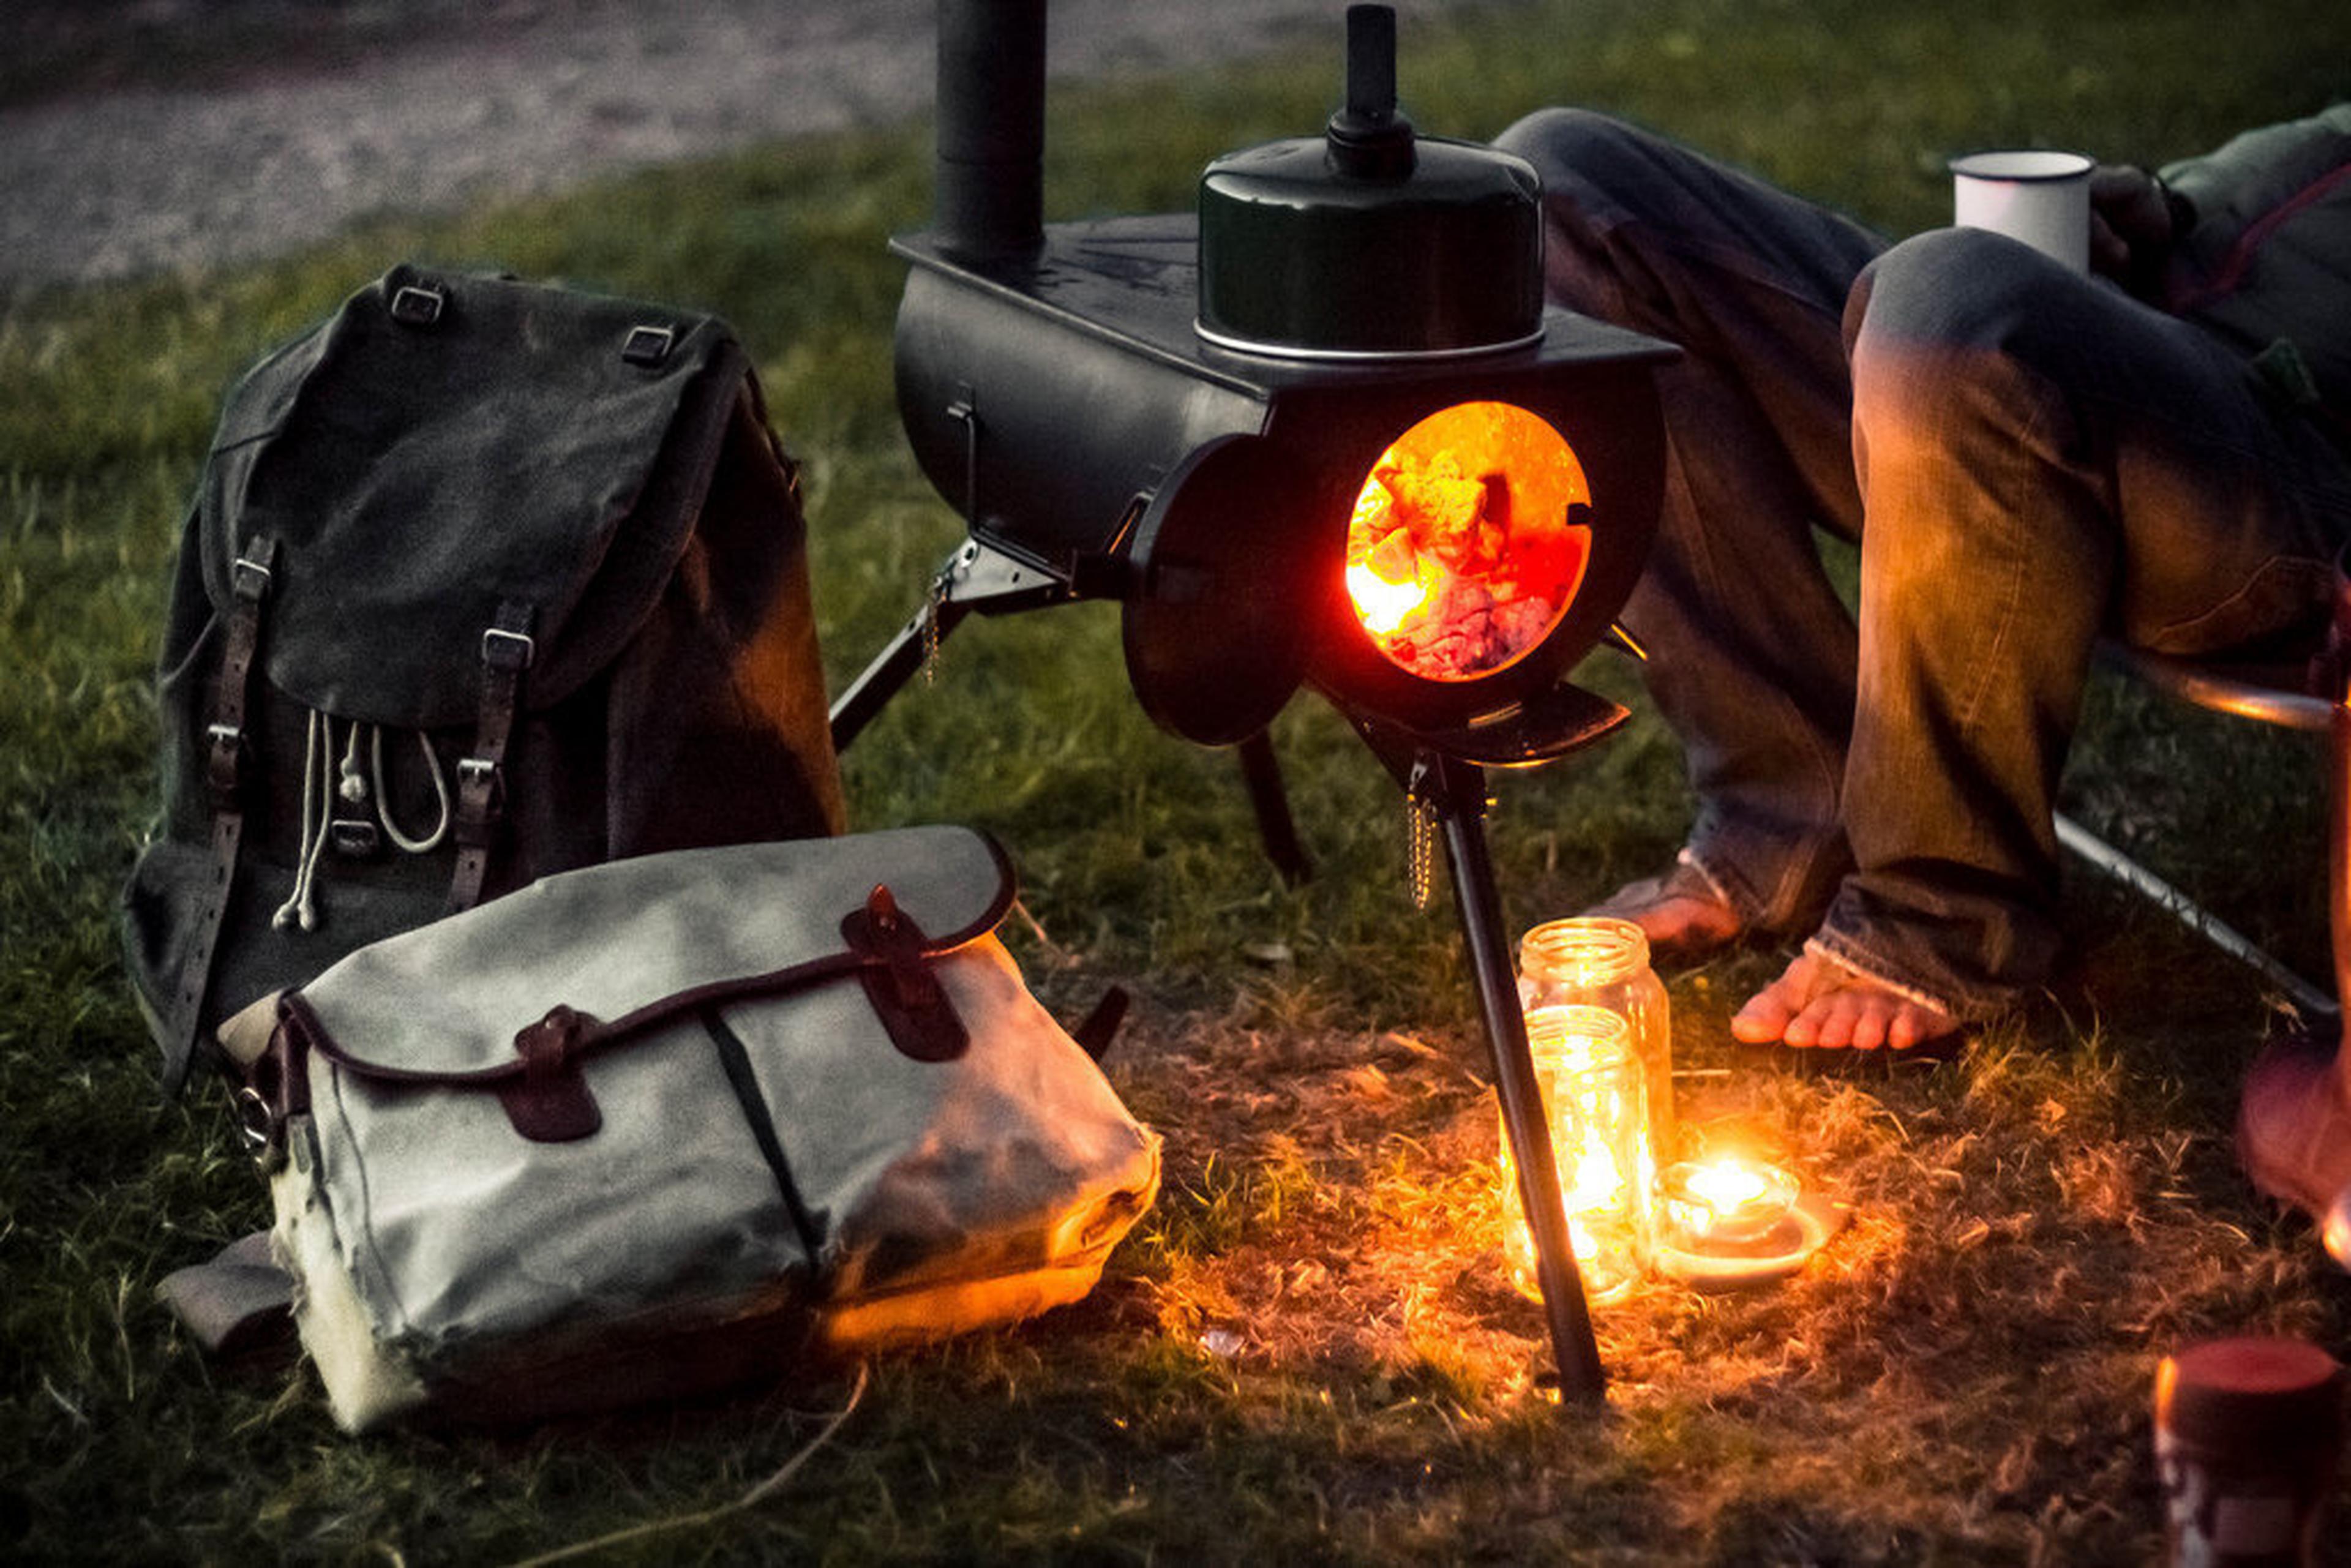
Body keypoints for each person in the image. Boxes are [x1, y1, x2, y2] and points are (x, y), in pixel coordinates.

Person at [1490, 106, 2351, 1255]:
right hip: (2133, 319)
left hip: (2272, 462)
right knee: (1552, 190)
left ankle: (1946, 909)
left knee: (1951, 303)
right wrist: (2165, 197)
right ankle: (1781, 807)